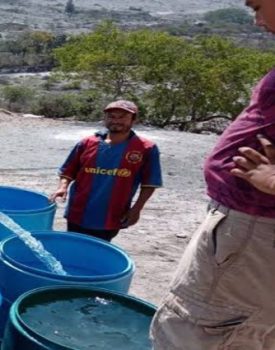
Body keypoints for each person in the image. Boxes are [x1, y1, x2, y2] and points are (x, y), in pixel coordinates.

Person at [150, 2, 275, 348]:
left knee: (196, 332)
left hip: (255, 235)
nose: (257, 19)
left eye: (259, 5)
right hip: (249, 234)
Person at [49, 100, 163, 242]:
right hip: (78, 210)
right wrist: (62, 187)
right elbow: (69, 169)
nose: (116, 120)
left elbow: (149, 183)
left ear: (134, 120)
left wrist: (136, 209)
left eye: (122, 117)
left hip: (112, 214)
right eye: (111, 116)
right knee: (74, 247)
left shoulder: (146, 148)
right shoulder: (87, 143)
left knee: (98, 251)